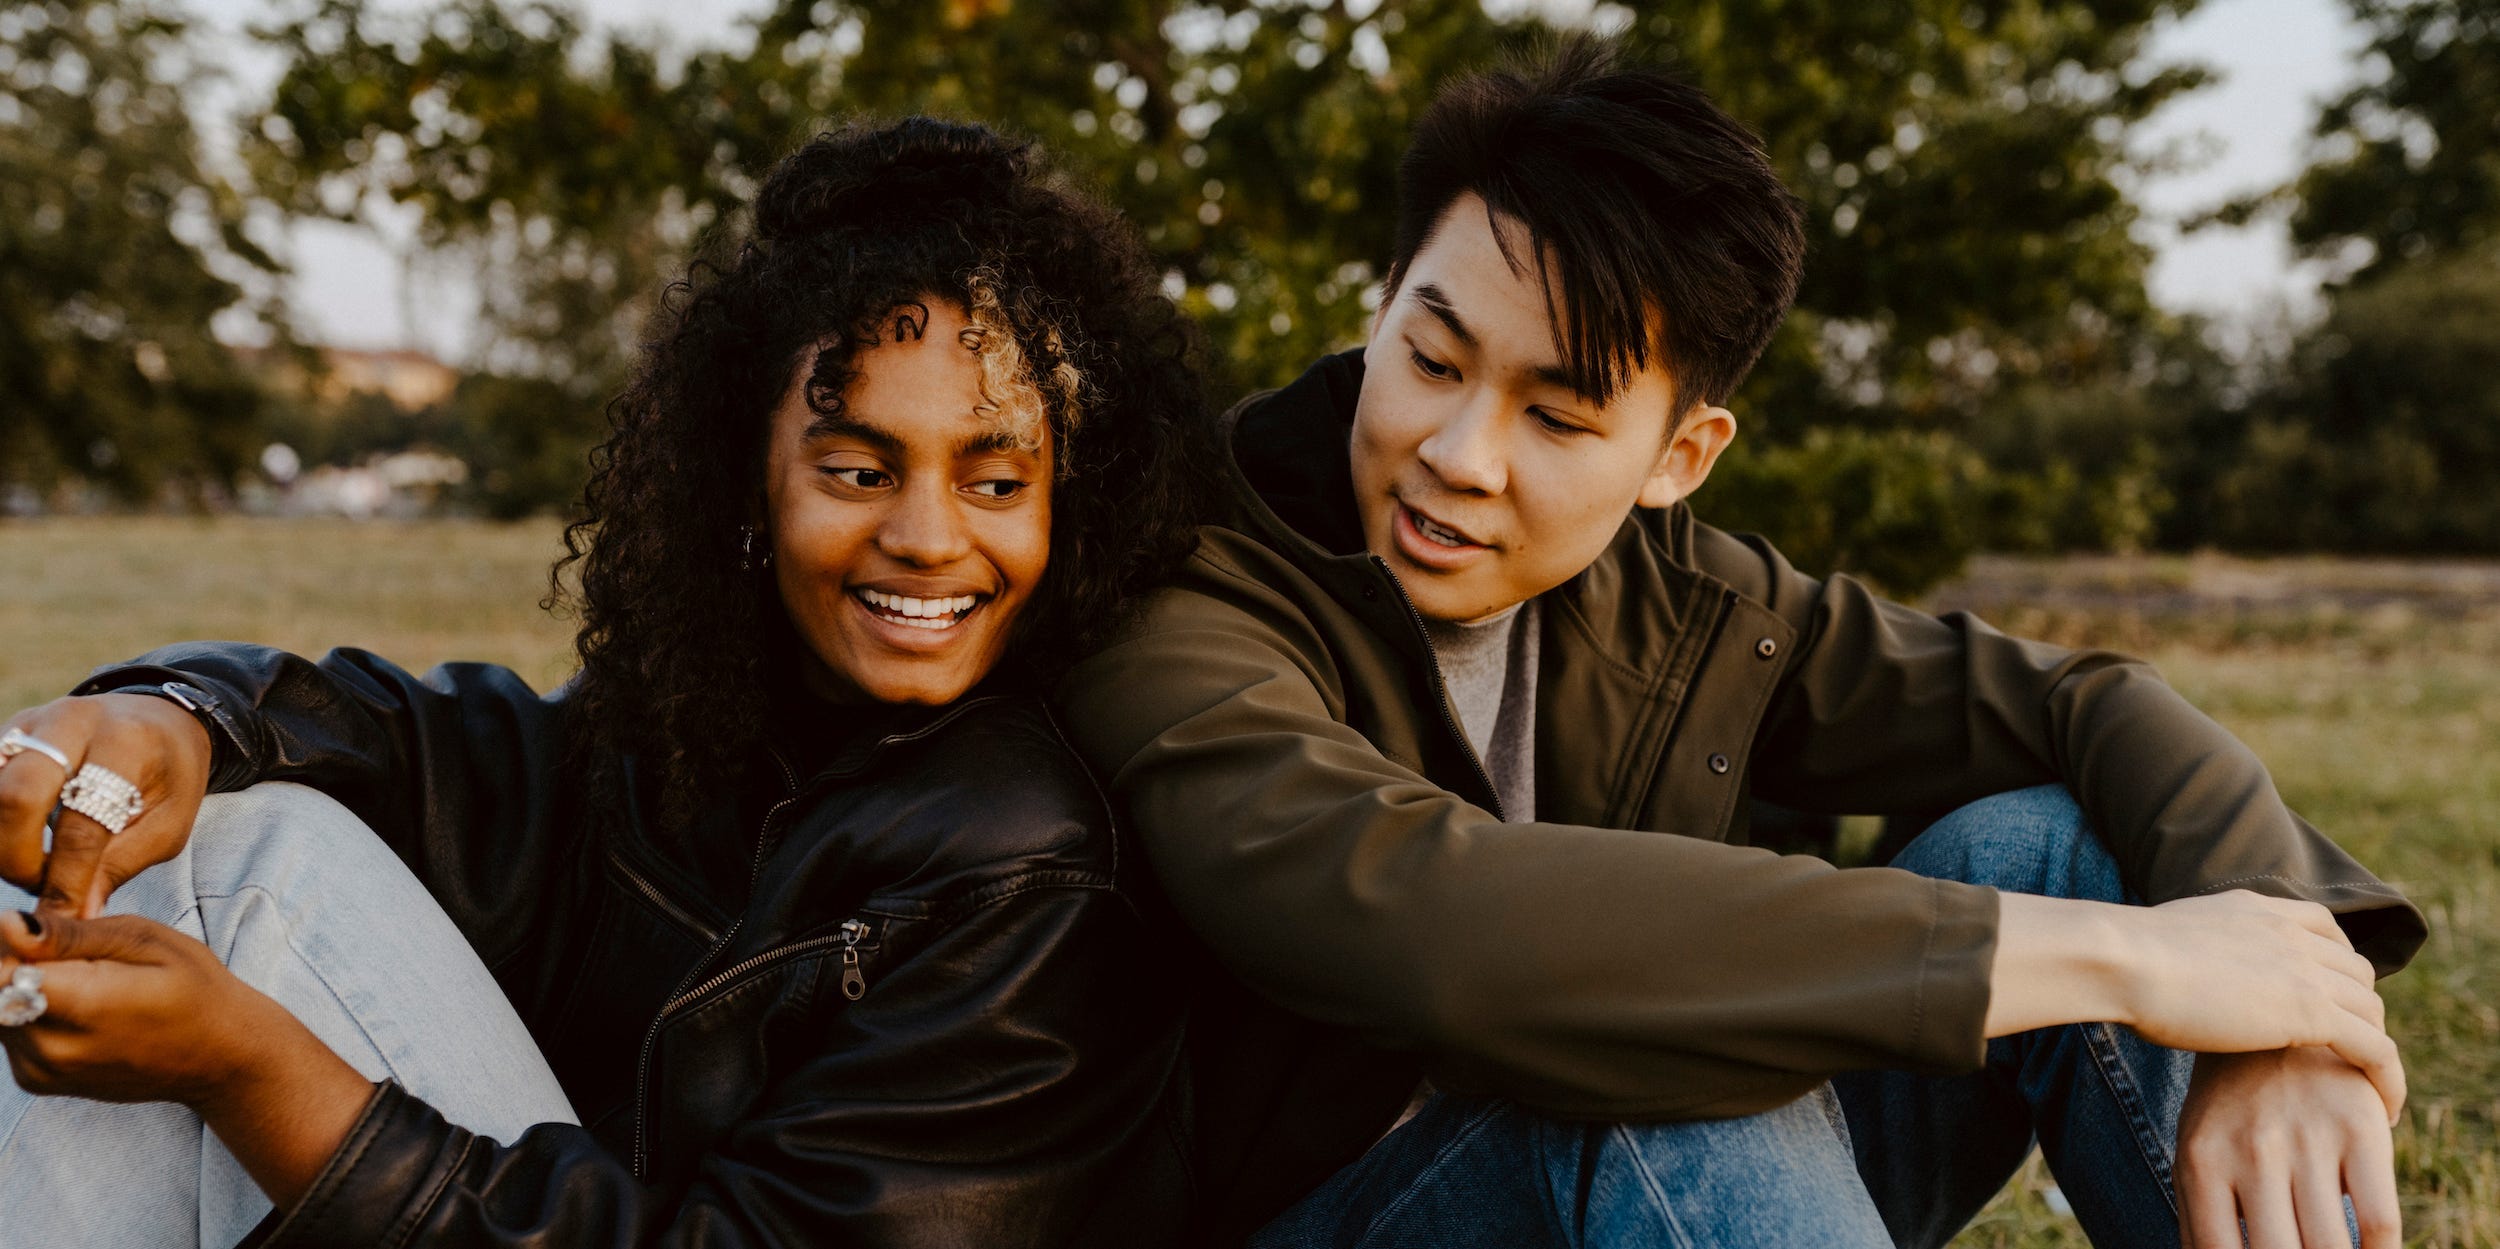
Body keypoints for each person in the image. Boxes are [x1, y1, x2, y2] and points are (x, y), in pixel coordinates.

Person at [1050, 37, 2427, 1249]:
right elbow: (1427, 922)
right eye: (1433, 357)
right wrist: (2134, 960)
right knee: (1655, 1066)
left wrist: (2283, 1021)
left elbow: (2092, 701)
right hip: (1341, 1216)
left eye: (1559, 416)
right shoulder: (1187, 573)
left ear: (1680, 455)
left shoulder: (1697, 602)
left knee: (2044, 838)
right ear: (1385, 298)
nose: (1459, 455)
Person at [0, 117, 1205, 1248]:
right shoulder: (689, 724)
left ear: (1071, 505)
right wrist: (170, 713)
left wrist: (252, 1068)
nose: (931, 537)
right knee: (205, 830)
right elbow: (402, 738)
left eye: (997, 483)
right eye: (855, 469)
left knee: (248, 873)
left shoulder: (1031, 871)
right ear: (750, 482)